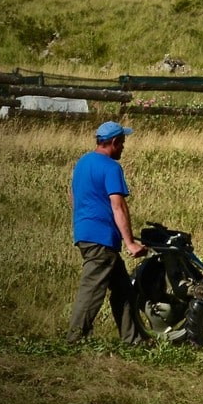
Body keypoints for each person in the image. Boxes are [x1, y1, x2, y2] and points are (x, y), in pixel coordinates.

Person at [66, 120, 148, 345]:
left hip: (85, 233)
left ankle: (133, 340)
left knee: (123, 290)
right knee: (92, 289)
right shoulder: (111, 167)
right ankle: (75, 338)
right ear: (113, 142)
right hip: (101, 239)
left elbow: (73, 196)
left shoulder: (82, 163)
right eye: (122, 142)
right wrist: (130, 243)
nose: (123, 147)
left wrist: (85, 219)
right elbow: (118, 205)